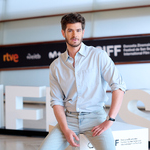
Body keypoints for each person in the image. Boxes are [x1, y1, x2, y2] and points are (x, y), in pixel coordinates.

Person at [39, 13, 126, 150]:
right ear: (63, 33)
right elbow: (56, 101)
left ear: (83, 32)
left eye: (78, 30)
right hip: (69, 119)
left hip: (95, 118)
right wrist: (65, 129)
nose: (75, 34)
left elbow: (118, 87)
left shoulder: (98, 56)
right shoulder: (56, 66)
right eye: (70, 30)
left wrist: (110, 119)